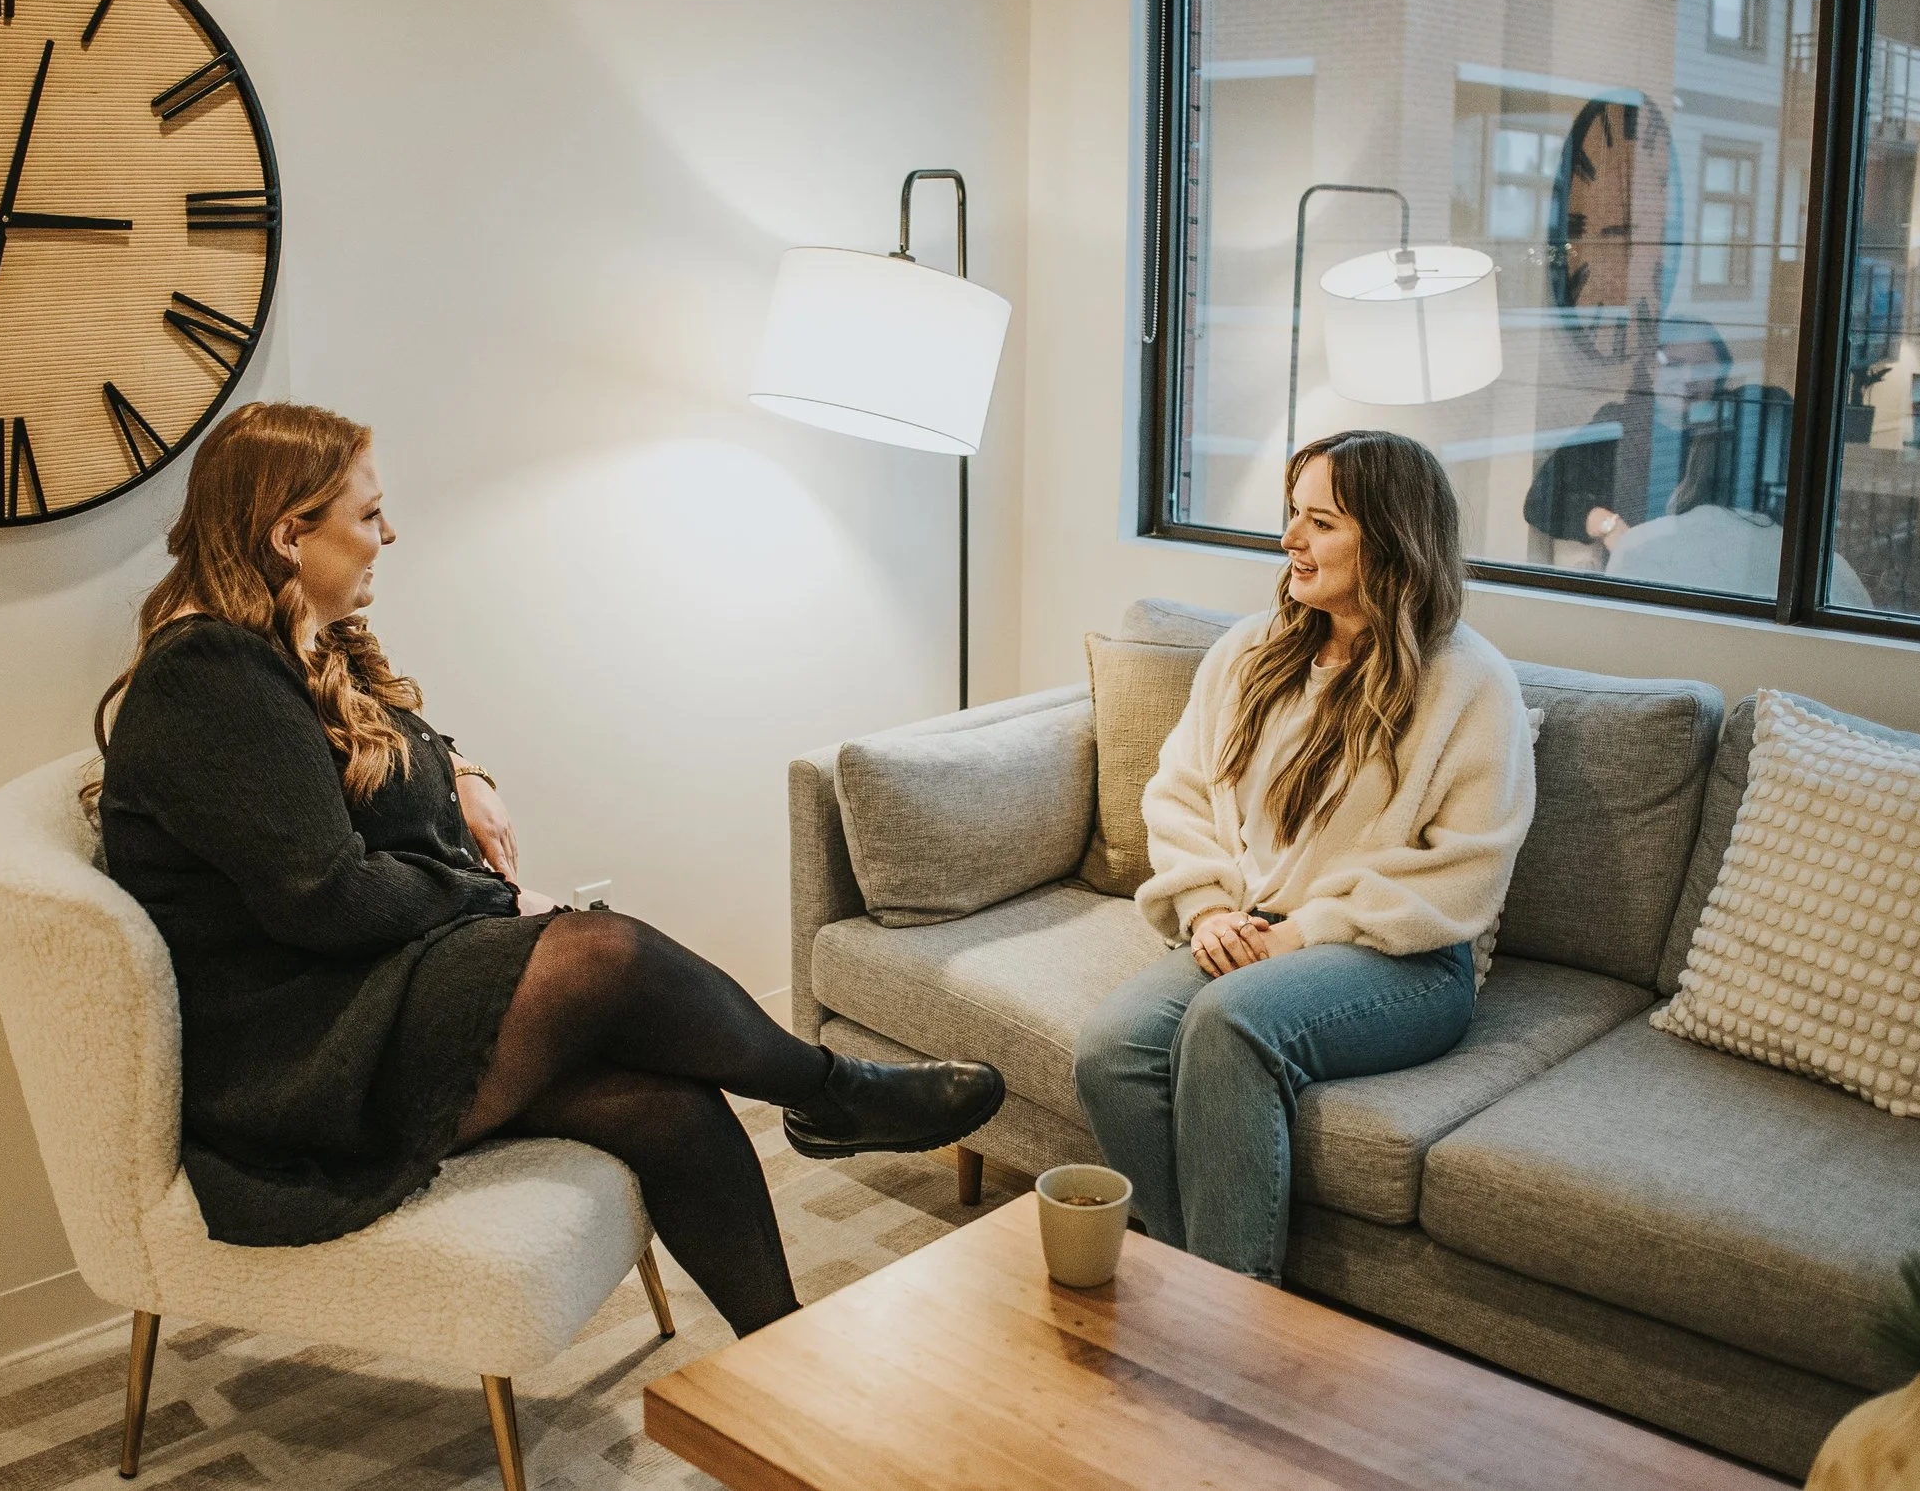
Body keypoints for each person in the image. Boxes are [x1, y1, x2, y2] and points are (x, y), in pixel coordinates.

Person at [94, 401, 1001, 1336]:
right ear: (290, 534)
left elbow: (363, 758)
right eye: (367, 515)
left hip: (363, 995)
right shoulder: (209, 675)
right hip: (300, 1056)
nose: (388, 533)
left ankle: (784, 1359)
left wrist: (462, 769)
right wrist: (496, 899)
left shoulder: (290, 644)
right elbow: (324, 897)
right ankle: (826, 1092)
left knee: (670, 1108)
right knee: (604, 953)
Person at [1072, 429, 1535, 1280]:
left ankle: (1228, 1326)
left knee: (1230, 1021)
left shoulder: (1469, 683)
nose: (1289, 540)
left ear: (1391, 536)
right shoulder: (1252, 653)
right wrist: (1209, 907)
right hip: (1251, 926)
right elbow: (1178, 791)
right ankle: (1206, 1292)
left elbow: (1467, 872)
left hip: (1403, 957)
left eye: (1320, 522)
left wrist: (1298, 935)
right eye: (1293, 516)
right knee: (1111, 1048)